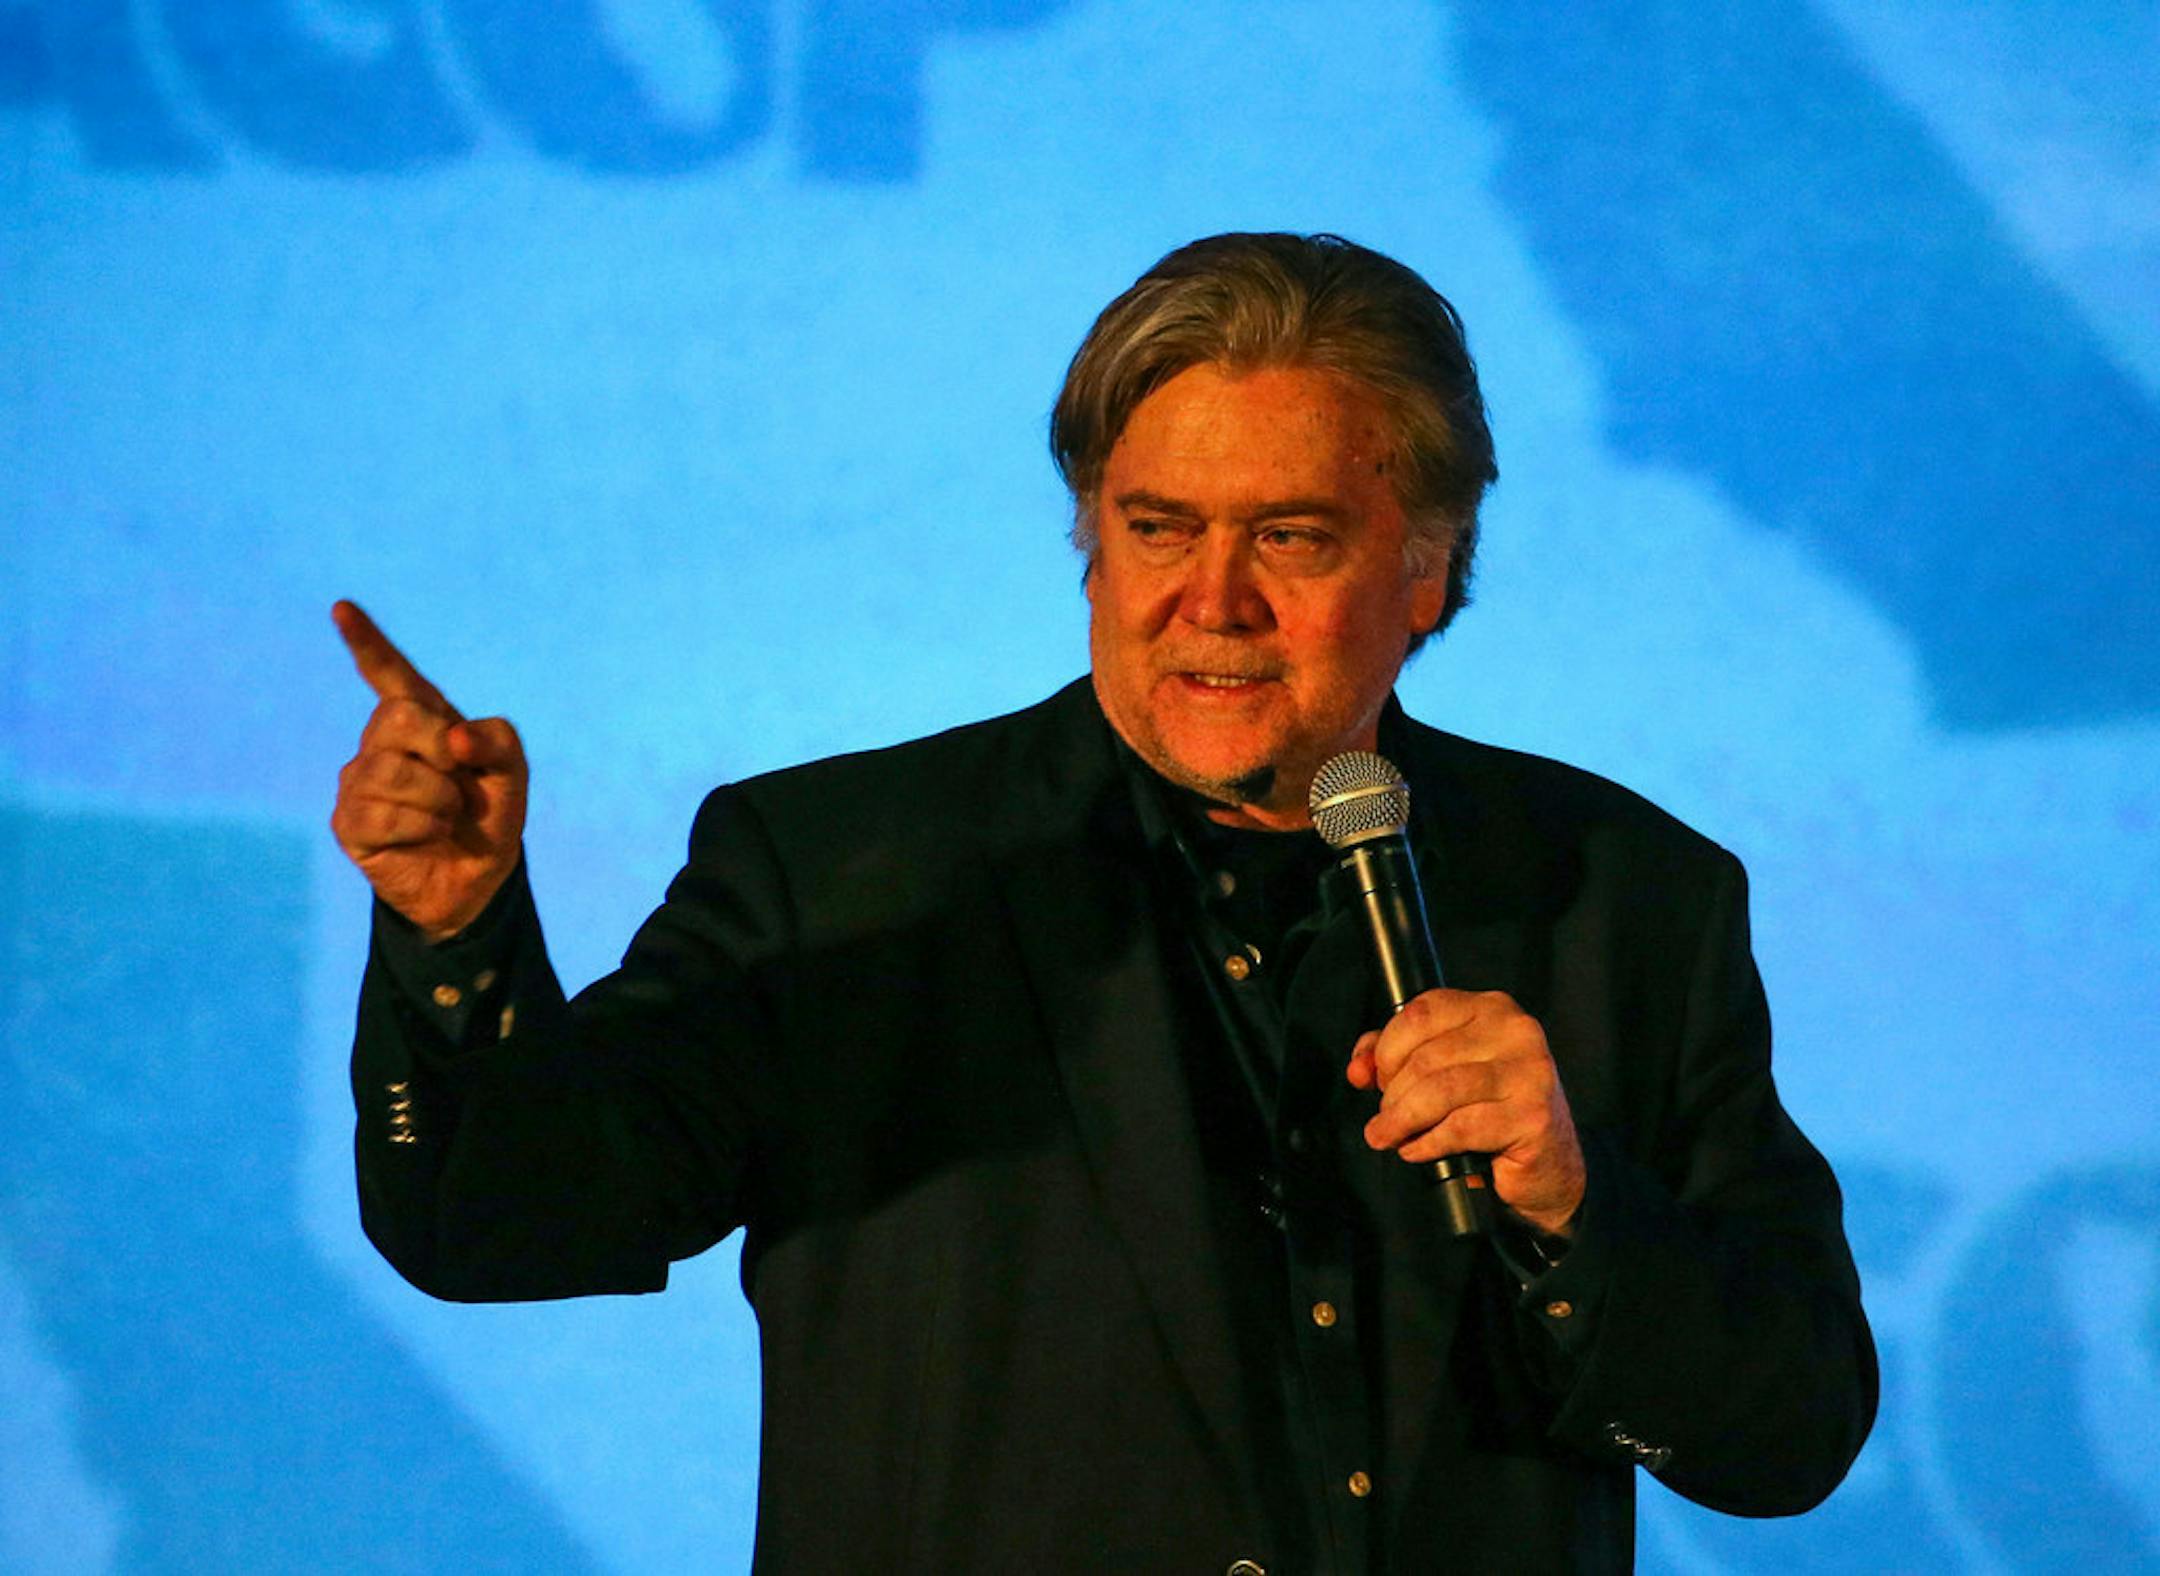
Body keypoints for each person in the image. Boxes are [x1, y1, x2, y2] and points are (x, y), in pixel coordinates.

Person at [332, 233, 1875, 1573]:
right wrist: (456, 938)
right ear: (1092, 541)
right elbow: (500, 1222)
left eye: (1290, 536)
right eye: (1159, 528)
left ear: (1426, 565)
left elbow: (1791, 1435)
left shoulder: (1625, 896)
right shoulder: (847, 870)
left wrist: (1575, 1210)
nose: (1214, 600)